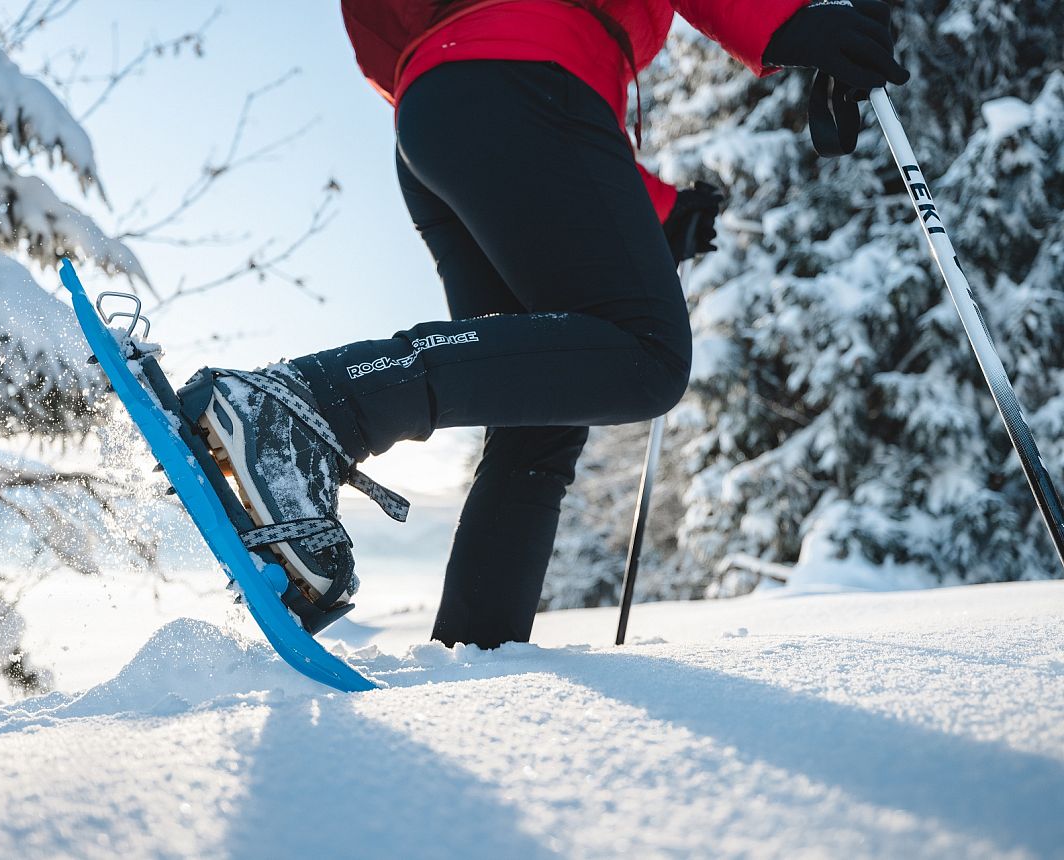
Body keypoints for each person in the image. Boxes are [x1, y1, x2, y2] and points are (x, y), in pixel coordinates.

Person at [181, 0, 909, 648]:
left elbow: (547, 140)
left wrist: (662, 211)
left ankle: (479, 657)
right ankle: (317, 402)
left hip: (444, 106)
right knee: (647, 355)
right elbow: (549, 87)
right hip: (522, 76)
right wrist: (787, 17)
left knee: (540, 416)